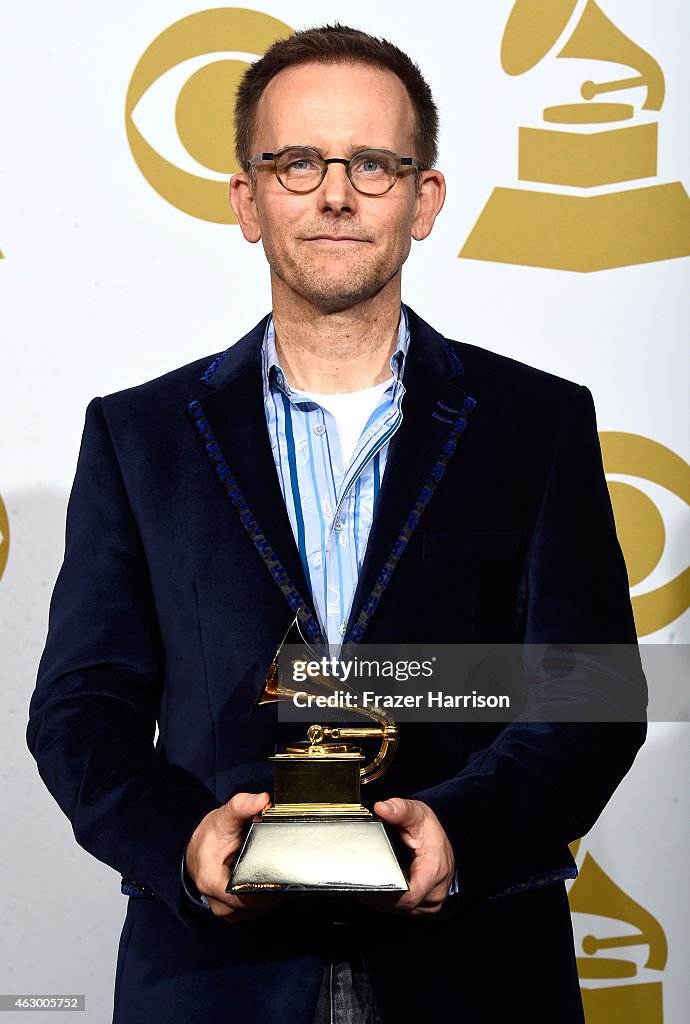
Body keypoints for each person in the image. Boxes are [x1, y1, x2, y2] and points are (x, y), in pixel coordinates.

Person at [28, 24, 646, 1024]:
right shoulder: (137, 437)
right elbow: (81, 712)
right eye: (297, 161)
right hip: (214, 977)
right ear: (248, 199)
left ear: (422, 197)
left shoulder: (538, 423)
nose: (335, 192)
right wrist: (186, 840)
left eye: (372, 161)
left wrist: (464, 834)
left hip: (474, 967)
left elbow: (593, 697)